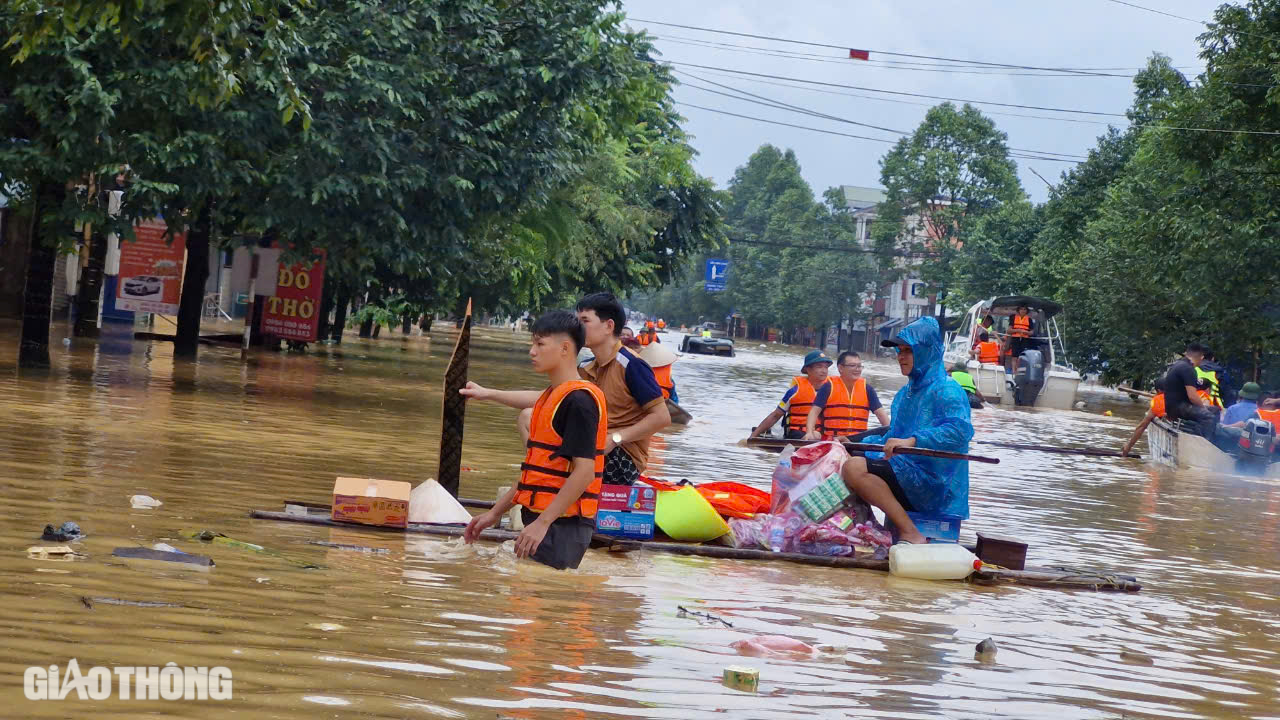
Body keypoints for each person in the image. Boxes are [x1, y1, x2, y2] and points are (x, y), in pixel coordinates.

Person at [463, 292, 669, 487]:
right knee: (528, 417)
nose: (578, 327)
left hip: (621, 458)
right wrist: (488, 393)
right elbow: (546, 398)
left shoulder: (632, 365)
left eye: (585, 321)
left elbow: (662, 417)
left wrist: (616, 438)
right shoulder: (587, 366)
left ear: (608, 326)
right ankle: (542, 477)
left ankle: (546, 480)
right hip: (591, 447)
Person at [461, 311, 605, 570]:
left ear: (564, 348)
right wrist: (495, 513)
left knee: (540, 603)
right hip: (544, 521)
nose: (532, 351)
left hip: (562, 526)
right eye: (533, 343)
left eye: (540, 344)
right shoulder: (552, 397)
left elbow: (584, 473)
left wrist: (543, 523)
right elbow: (536, 474)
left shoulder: (580, 402)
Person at [838, 317, 973, 545]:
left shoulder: (947, 389)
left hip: (935, 481)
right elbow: (891, 435)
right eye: (899, 351)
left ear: (927, 351)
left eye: (908, 351)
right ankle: (865, 527)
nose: (901, 357)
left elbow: (959, 431)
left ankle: (911, 532)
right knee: (844, 457)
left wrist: (913, 440)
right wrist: (851, 442)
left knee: (854, 468)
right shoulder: (904, 394)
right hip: (906, 470)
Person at [747, 351, 833, 441]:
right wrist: (753, 436)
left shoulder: (833, 390)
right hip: (797, 434)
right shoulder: (794, 391)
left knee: (820, 435)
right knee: (815, 435)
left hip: (825, 434)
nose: (824, 371)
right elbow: (776, 415)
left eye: (826, 367)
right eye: (819, 367)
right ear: (808, 369)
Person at [807, 351, 889, 440]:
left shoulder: (867, 389)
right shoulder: (828, 387)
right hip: (833, 439)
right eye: (852, 366)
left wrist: (891, 433)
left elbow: (881, 415)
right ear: (840, 368)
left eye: (859, 366)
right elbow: (814, 412)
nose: (857, 369)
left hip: (859, 441)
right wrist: (809, 432)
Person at [1161, 343, 1217, 439]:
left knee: (1215, 410)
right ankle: (1201, 443)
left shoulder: (1178, 364)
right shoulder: (1188, 369)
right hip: (1179, 407)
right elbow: (1192, 396)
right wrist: (1203, 408)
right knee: (1209, 417)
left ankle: (1204, 435)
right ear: (1201, 357)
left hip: (1172, 406)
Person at [1120, 390, 1166, 457]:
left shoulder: (1158, 400)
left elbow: (1141, 427)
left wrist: (1128, 446)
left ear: (1159, 391)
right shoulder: (1177, 395)